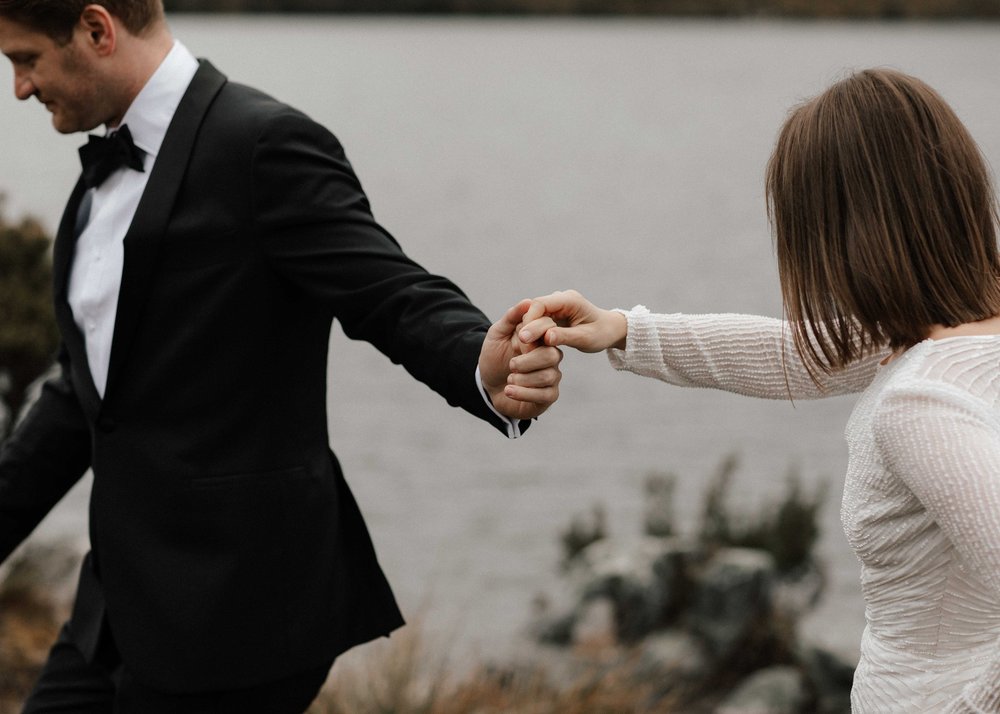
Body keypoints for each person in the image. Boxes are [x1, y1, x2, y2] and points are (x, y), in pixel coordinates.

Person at [0, 2, 563, 712]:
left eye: (25, 61)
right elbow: (84, 397)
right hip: (115, 611)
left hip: (240, 619)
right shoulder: (93, 186)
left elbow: (390, 293)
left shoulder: (263, 144)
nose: (19, 87)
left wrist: (483, 365)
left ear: (96, 30)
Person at [516, 68, 1000, 713]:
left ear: (843, 234)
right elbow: (798, 354)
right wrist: (625, 331)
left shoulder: (920, 405)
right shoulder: (940, 343)